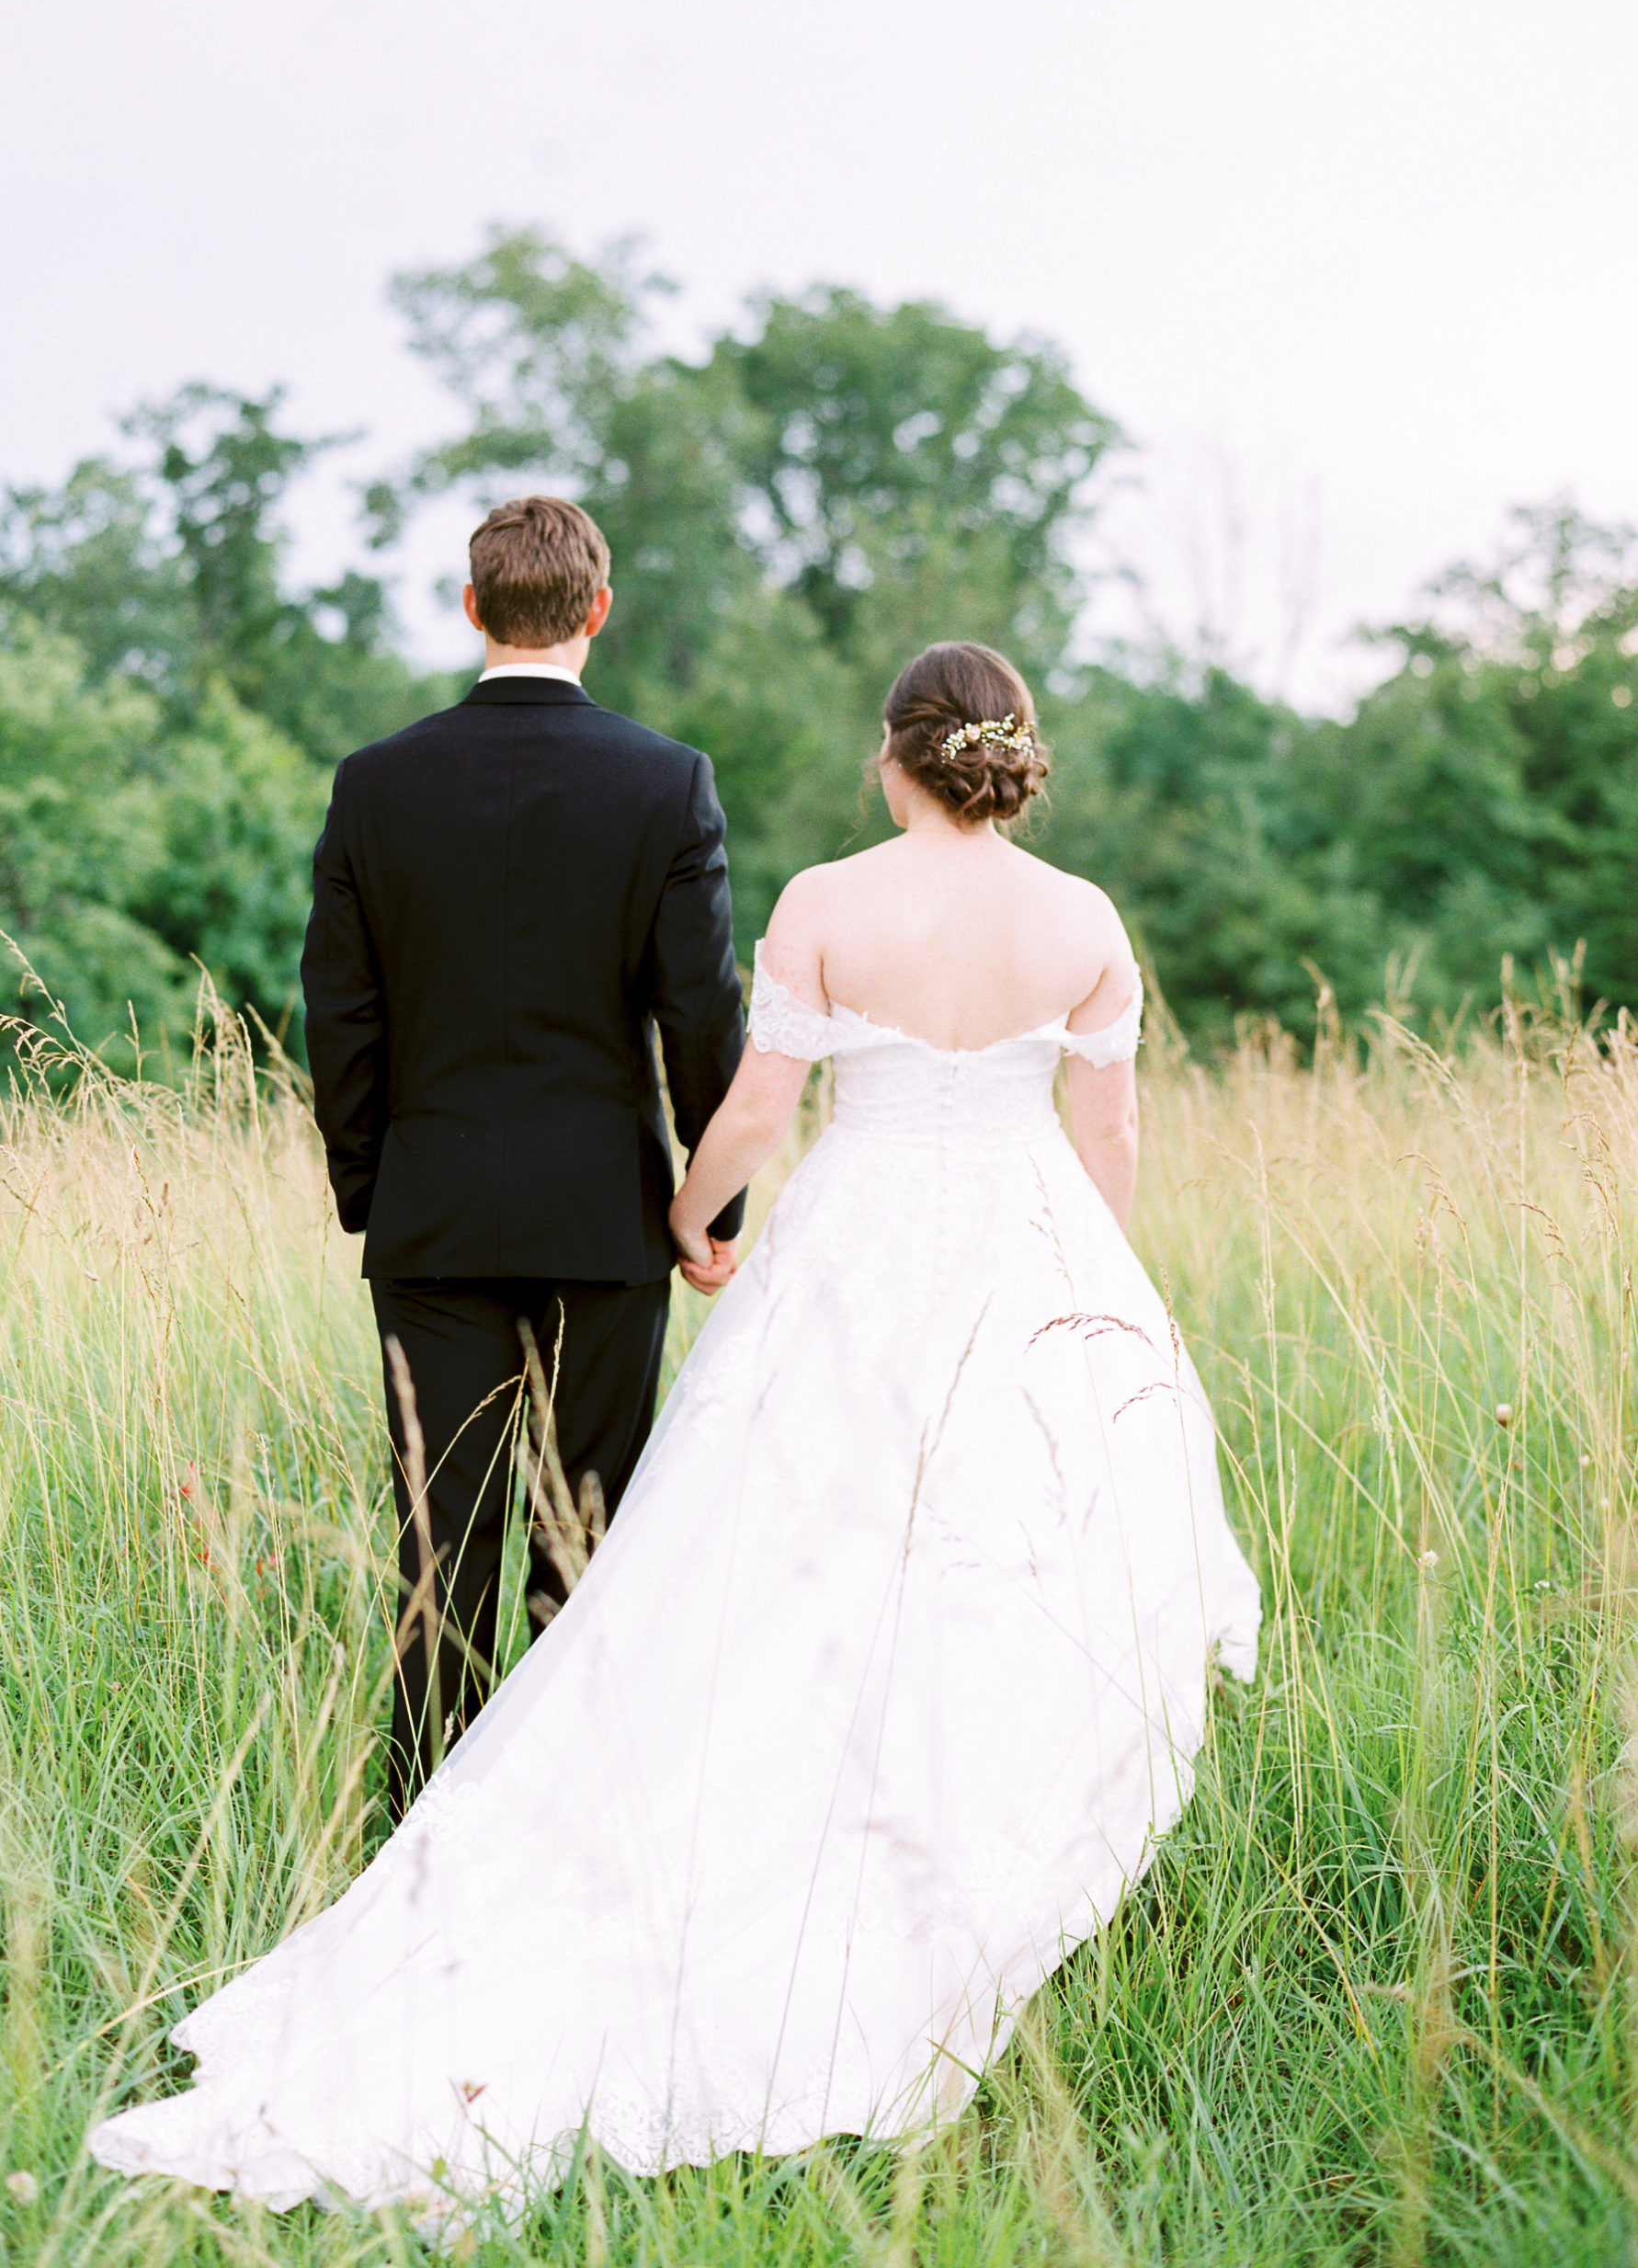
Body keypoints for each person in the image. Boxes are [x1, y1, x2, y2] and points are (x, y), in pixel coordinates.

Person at [90, 641, 1260, 2222]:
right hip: (1031, 1270)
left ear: (890, 754)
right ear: (1010, 755)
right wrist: (1085, 1291)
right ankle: (932, 1896)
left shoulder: (831, 901)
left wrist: (696, 1213)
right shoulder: (1083, 922)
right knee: (987, 1588)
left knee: (766, 1579)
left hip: (850, 1269)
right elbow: (1104, 1126)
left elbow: (762, 1104)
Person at [295, 496, 746, 1820]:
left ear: (471, 609)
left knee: (440, 1553)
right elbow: (699, 1009)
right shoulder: (665, 783)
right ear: (596, 611)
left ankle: (416, 1843)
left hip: (430, 1219)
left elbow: (344, 1012)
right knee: (583, 1544)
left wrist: (373, 1186)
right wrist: (706, 1203)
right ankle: (566, 1835)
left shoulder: (376, 784)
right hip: (607, 1222)